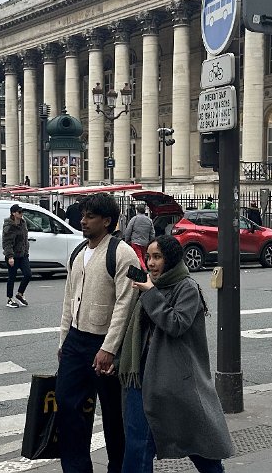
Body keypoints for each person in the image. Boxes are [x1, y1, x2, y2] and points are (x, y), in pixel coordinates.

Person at [120, 235, 234, 473]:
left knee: (197, 443)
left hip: (175, 381)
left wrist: (150, 293)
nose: (151, 263)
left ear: (170, 259)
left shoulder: (186, 287)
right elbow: (136, 330)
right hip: (142, 375)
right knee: (138, 445)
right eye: (149, 257)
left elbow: (176, 324)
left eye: (157, 257)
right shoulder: (152, 284)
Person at [56, 192, 139, 473]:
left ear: (106, 221)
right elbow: (69, 300)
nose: (83, 221)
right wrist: (63, 340)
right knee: (67, 406)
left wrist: (109, 348)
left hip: (104, 343)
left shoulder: (122, 253)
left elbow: (125, 304)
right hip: (76, 339)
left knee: (114, 415)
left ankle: (119, 468)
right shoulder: (78, 253)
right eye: (83, 215)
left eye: (90, 216)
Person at [2, 203, 31, 308]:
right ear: (13, 213)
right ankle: (9, 299)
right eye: (19, 212)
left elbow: (25, 239)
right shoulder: (9, 226)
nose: (21, 213)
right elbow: (7, 243)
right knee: (12, 277)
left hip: (23, 254)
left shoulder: (23, 223)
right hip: (13, 256)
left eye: (22, 211)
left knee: (28, 274)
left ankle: (20, 294)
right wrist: (10, 256)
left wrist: (26, 250)